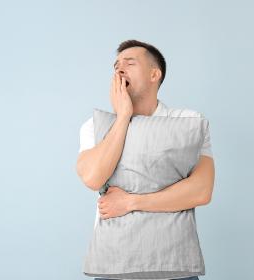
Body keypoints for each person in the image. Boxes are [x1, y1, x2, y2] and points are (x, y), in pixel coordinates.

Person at [76, 39, 215, 280]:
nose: (119, 69)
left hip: (174, 264)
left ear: (154, 74)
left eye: (129, 63)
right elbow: (92, 177)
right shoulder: (94, 126)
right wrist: (123, 118)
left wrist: (130, 202)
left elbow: (201, 190)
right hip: (113, 263)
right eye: (116, 65)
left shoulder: (187, 122)